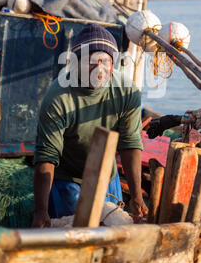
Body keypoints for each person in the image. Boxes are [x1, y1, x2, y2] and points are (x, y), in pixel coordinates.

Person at [32, 23, 148, 227]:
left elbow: (130, 144)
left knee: (114, 227)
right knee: (74, 233)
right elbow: (47, 157)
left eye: (105, 61)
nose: (99, 69)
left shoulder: (126, 92)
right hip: (69, 177)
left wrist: (136, 195)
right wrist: (40, 211)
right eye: (91, 61)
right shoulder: (58, 98)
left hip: (107, 175)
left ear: (114, 63)